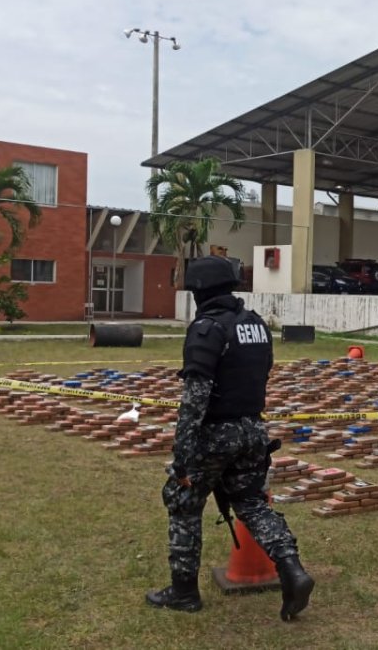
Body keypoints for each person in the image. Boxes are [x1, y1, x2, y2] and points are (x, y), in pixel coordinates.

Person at [146, 255, 313, 621]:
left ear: (199, 291)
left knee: (183, 500)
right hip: (253, 429)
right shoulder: (254, 324)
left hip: (216, 432)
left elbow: (194, 400)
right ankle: (291, 568)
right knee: (251, 503)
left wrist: (183, 458)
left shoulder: (206, 328)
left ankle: (184, 591)